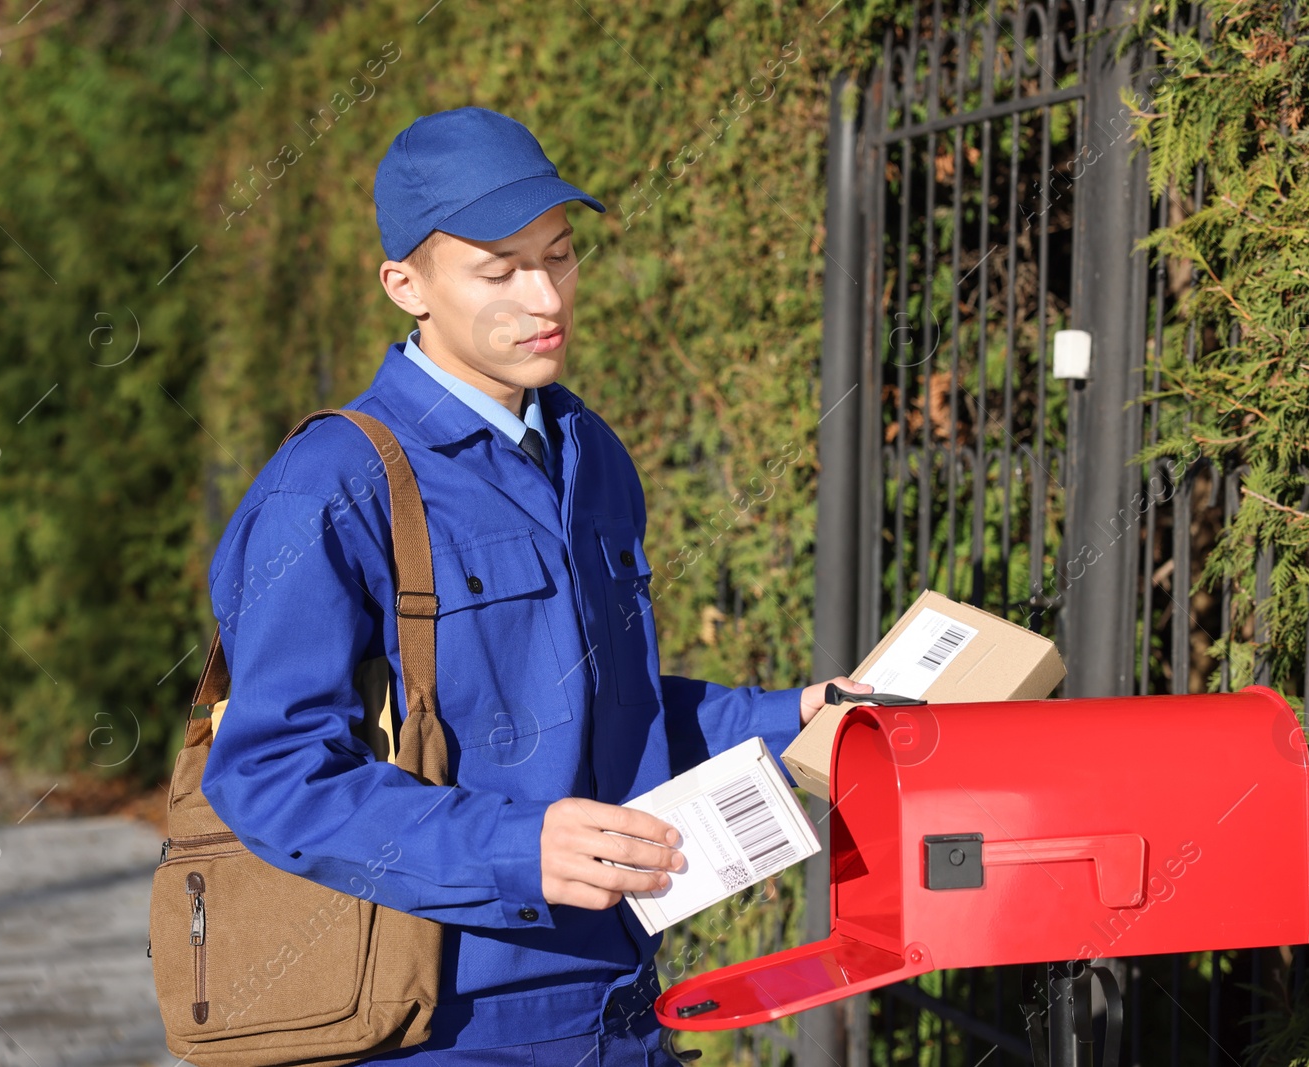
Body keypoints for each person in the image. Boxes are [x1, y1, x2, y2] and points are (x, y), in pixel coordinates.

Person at [200, 106, 870, 1066]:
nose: (544, 295)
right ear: (406, 285)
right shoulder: (332, 484)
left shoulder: (590, 453)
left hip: (629, 1010)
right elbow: (268, 774)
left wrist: (791, 715)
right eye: (498, 269)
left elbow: (609, 716)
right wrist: (515, 848)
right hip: (440, 1027)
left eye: (558, 256)